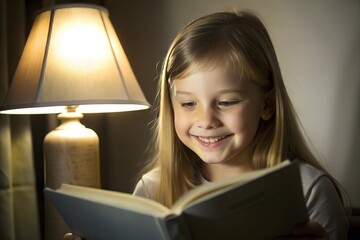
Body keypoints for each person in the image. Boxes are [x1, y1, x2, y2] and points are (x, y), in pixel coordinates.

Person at [65, 10, 349, 240]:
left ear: (267, 105)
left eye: (226, 102)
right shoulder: (153, 190)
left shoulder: (308, 191)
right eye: (189, 104)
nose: (206, 121)